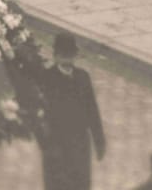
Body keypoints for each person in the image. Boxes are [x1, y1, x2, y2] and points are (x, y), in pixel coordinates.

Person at [37, 33, 106, 190]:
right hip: (56, 147)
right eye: (63, 56)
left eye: (70, 56)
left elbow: (92, 110)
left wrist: (99, 140)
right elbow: (41, 115)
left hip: (80, 144)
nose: (67, 61)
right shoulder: (47, 78)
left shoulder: (83, 77)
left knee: (81, 184)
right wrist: (46, 145)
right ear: (56, 57)